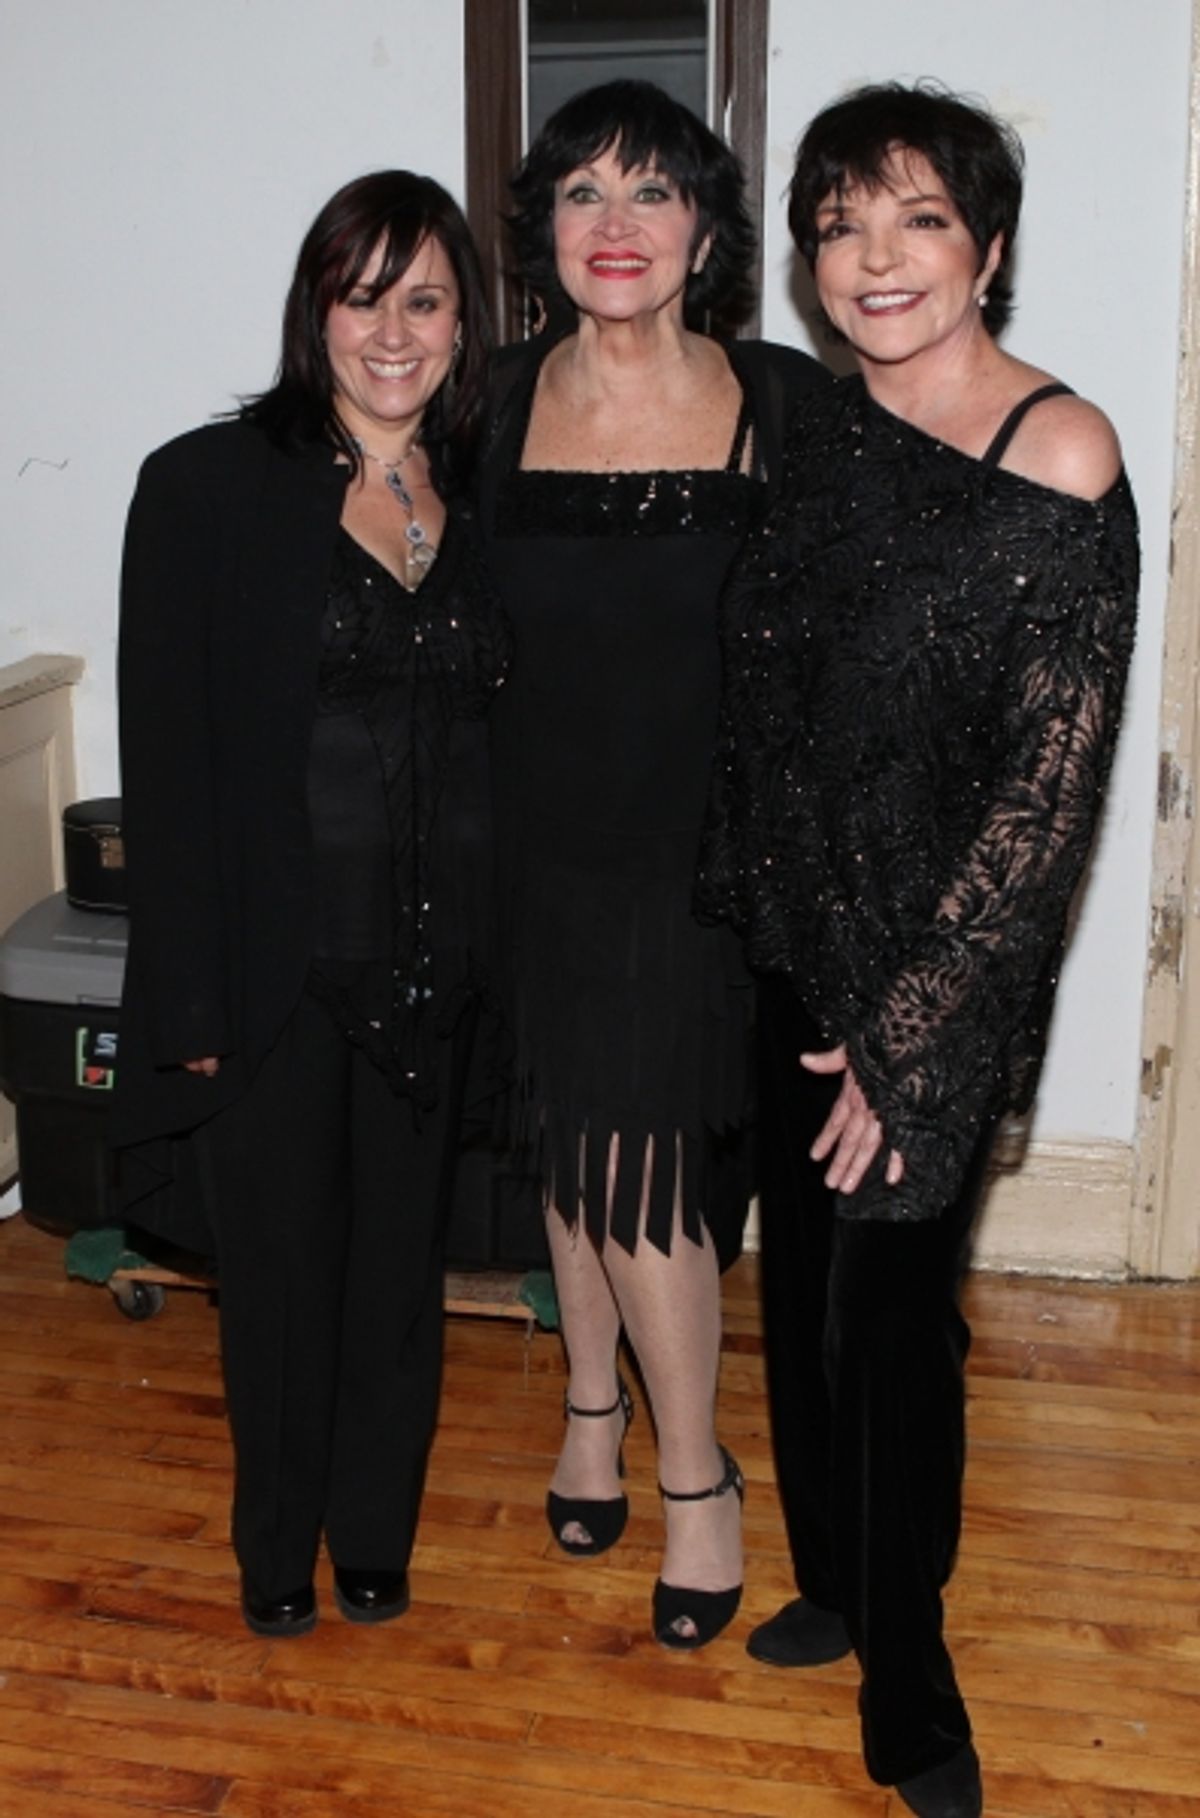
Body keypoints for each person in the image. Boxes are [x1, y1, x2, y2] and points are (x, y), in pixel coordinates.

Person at [696, 82, 1138, 1818]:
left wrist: (914, 1029)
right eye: (840, 222)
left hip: (943, 972)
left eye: (919, 218)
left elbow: (1050, 789)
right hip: (798, 940)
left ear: (991, 248)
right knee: (798, 1298)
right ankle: (833, 1575)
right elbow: (777, 700)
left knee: (888, 1317)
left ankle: (920, 1673)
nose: (875, 255)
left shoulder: (1061, 448)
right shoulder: (806, 429)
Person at [110, 171, 509, 1638]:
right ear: (315, 311)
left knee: (400, 1281)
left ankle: (374, 1533)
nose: (391, 331)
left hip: (437, 968)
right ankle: (277, 1548)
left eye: (424, 299)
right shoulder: (206, 489)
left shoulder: (485, 497)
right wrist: (192, 999)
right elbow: (172, 763)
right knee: (278, 1286)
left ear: (465, 323)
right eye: (363, 296)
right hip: (277, 976)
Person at [478, 79, 828, 1650]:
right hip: (532, 846)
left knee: (652, 1167)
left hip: (700, 857)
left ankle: (698, 1476)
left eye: (653, 193)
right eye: (582, 195)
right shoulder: (489, 401)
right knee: (569, 1138)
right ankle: (590, 1404)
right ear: (544, 228)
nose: (615, 227)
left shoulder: (783, 399)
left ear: (705, 229)